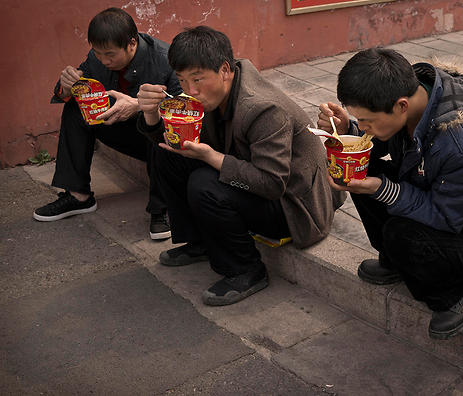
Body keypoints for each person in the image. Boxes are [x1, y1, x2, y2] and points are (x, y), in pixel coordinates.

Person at [316, 48, 463, 339]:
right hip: (436, 202)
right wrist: (345, 128)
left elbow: (446, 216)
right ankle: (395, 262)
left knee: (401, 231)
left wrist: (383, 189)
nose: (364, 128)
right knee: (360, 171)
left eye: (367, 121)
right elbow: (376, 144)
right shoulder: (407, 98)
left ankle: (453, 292)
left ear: (401, 106)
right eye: (359, 120)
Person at [136, 26, 342, 306]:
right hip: (256, 179)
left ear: (224, 70)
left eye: (197, 79)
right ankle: (200, 243)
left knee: (204, 185)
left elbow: (271, 184)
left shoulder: (263, 109)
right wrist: (150, 115)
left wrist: (211, 157)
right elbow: (175, 140)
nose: (190, 91)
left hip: (293, 204)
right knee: (168, 154)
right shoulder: (213, 94)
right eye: (182, 81)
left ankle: (246, 269)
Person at [33, 7, 180, 240]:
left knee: (157, 123)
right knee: (76, 107)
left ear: (132, 43)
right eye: (98, 53)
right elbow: (72, 91)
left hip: (158, 138)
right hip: (120, 128)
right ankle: (78, 196)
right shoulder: (96, 58)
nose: (103, 60)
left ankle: (162, 210)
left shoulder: (166, 59)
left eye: (110, 54)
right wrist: (67, 87)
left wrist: (140, 106)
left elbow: (183, 111)